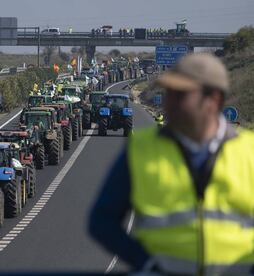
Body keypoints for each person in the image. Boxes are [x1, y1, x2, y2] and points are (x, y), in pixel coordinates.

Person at [89, 53, 254, 275]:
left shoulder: (249, 152)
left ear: (213, 99)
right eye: (168, 94)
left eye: (180, 95)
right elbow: (101, 221)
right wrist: (145, 262)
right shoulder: (142, 150)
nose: (169, 103)